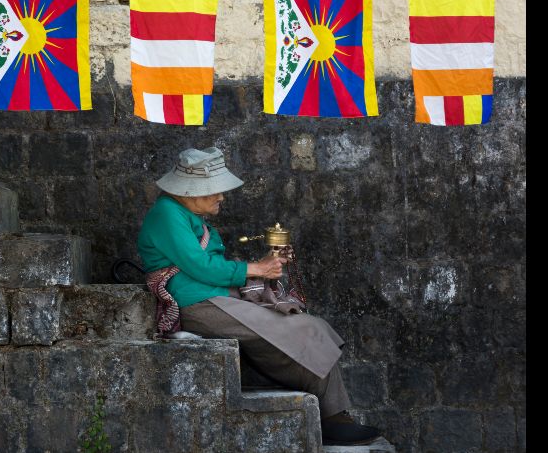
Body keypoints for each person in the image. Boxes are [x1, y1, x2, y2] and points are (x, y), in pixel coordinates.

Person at [137, 147, 382, 446]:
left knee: (303, 323)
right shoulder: (167, 214)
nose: (221, 197)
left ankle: (334, 413)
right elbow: (199, 266)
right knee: (300, 328)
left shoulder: (188, 214)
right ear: (190, 191)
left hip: (215, 295)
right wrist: (257, 268)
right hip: (197, 302)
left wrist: (265, 266)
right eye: (215, 190)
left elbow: (212, 266)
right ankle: (333, 417)